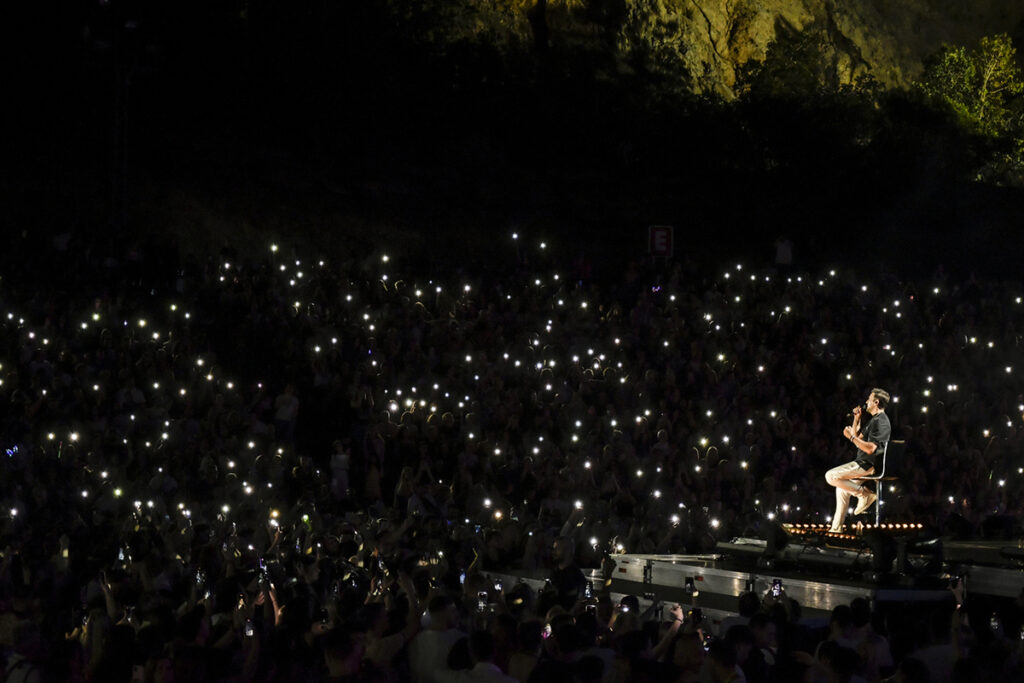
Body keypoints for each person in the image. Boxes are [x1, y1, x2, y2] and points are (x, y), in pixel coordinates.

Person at [826, 388, 892, 533]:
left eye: (869, 399)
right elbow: (857, 437)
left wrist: (851, 437)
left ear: (876, 402)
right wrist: (856, 419)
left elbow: (870, 448)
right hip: (863, 462)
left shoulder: (881, 421)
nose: (866, 402)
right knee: (842, 489)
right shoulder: (874, 420)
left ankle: (865, 494)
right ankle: (835, 529)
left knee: (830, 476)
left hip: (867, 463)